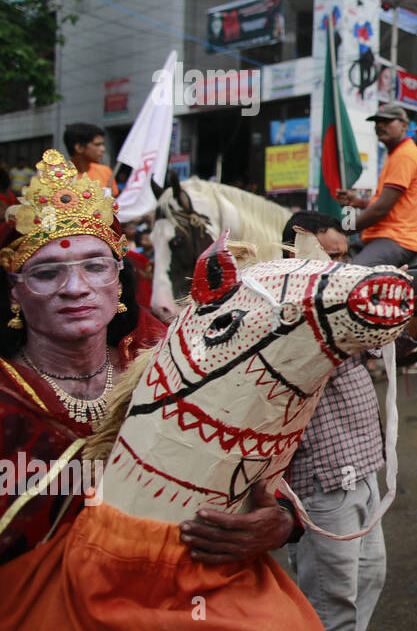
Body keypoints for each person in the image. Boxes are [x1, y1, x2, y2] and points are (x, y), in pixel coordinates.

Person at [0, 150, 289, 567]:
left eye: (95, 266)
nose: (75, 288)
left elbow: (252, 454)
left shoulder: (167, 351)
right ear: (14, 291)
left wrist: (276, 519)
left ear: (118, 279)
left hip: (179, 591)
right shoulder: (8, 392)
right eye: (47, 273)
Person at [280, 211, 417, 631]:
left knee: (369, 579)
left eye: (345, 257)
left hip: (363, 467)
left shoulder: (347, 303)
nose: (340, 269)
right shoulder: (287, 308)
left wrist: (415, 310)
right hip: (322, 480)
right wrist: (388, 298)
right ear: (295, 255)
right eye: (328, 257)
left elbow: (397, 347)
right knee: (331, 602)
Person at [335, 105, 417, 268]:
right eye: (377, 122)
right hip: (380, 237)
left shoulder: (405, 155)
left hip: (396, 239)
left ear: (404, 125)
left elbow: (381, 209)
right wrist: (359, 202)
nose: (380, 125)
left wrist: (343, 229)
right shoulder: (396, 155)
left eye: (386, 121)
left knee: (351, 275)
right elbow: (390, 205)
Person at [62, 122, 118, 199]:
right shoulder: (60, 178)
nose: (103, 149)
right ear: (79, 148)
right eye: (97, 144)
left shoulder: (105, 171)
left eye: (102, 144)